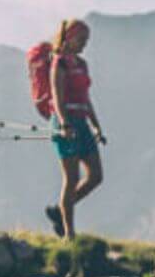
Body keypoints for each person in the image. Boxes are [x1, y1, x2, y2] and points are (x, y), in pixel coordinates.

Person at [41, 18, 106, 241]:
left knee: (96, 176)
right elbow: (57, 96)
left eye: (86, 40)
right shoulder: (58, 62)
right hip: (65, 122)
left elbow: (86, 98)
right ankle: (69, 233)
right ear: (69, 36)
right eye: (82, 39)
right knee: (71, 177)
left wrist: (96, 126)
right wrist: (64, 123)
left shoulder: (81, 64)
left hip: (82, 121)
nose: (85, 44)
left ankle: (60, 212)